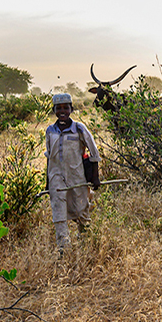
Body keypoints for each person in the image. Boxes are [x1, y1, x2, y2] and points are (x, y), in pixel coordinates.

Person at [44, 93, 100, 254]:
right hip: (56, 177)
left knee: (82, 210)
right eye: (58, 108)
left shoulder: (79, 129)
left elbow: (93, 153)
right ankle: (64, 249)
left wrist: (95, 177)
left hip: (77, 176)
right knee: (58, 211)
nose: (62, 111)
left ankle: (85, 244)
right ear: (54, 110)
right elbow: (49, 156)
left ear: (71, 109)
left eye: (66, 108)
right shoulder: (50, 131)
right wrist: (48, 182)